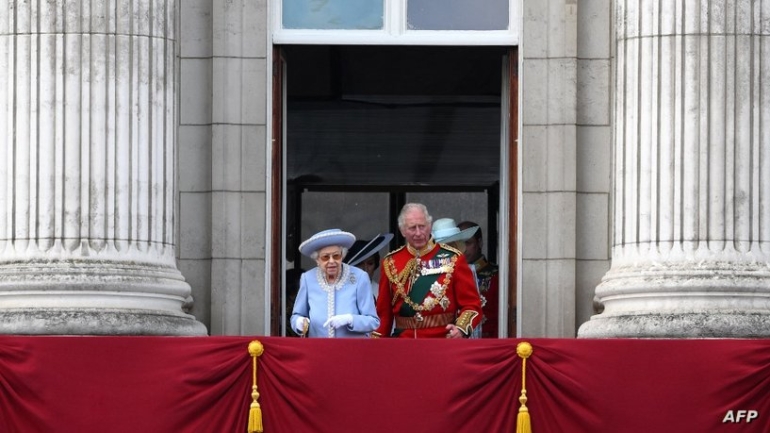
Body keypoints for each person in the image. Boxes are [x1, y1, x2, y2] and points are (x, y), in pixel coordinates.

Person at [373, 203, 482, 338]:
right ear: (402, 231)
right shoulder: (390, 262)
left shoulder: (454, 258)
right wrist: (376, 343)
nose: (418, 233)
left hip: (443, 342)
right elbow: (384, 314)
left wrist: (460, 329)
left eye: (422, 227)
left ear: (429, 227)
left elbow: (471, 305)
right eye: (412, 228)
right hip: (403, 344)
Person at [290, 229, 380, 337]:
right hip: (318, 349)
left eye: (336, 256)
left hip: (351, 349)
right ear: (317, 260)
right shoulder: (308, 278)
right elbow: (296, 315)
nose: (331, 261)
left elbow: (373, 321)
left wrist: (350, 319)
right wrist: (299, 322)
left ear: (342, 256)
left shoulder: (359, 277)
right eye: (325, 257)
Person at [431, 217, 483, 338]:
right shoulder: (422, 269)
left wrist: (461, 329)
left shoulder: (462, 268)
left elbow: (471, 305)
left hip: (455, 335)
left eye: (449, 246)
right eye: (441, 246)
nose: (445, 251)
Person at [458, 221, 500, 338]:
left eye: (468, 243)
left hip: (488, 342)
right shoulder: (449, 275)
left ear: (480, 242)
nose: (464, 249)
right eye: (459, 244)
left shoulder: (497, 275)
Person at [344, 233, 394, 301]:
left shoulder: (382, 293)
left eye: (370, 263)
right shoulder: (340, 291)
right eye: (359, 264)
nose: (365, 269)